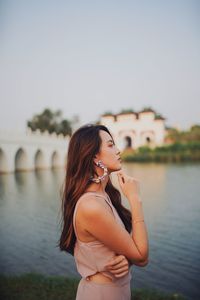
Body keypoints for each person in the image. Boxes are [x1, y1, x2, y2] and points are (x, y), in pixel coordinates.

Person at [59, 124, 149, 300]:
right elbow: (142, 257)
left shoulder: (104, 195)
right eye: (110, 145)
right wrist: (135, 199)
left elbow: (127, 251)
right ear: (94, 157)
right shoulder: (90, 206)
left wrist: (127, 258)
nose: (118, 150)